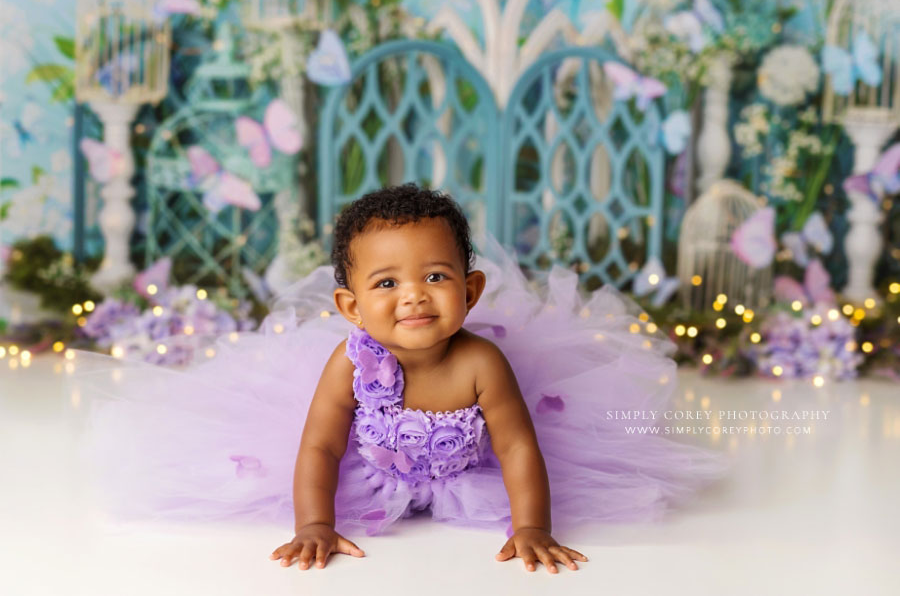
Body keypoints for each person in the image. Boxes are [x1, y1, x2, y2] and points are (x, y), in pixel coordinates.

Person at [72, 183, 731, 575]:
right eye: (387, 283)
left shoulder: (481, 363)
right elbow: (322, 448)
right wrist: (314, 523)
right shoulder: (348, 363)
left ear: (470, 290)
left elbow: (516, 447)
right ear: (352, 307)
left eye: (436, 277)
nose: (414, 297)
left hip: (466, 478)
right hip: (369, 475)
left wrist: (531, 526)